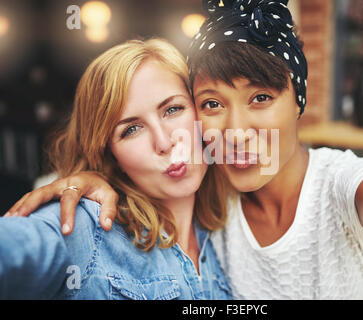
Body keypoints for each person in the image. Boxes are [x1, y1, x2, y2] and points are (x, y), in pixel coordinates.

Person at [7, 0, 363, 299]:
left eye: (260, 98)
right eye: (213, 104)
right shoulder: (187, 197)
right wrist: (92, 179)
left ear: (299, 100)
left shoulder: (339, 186)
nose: (236, 132)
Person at [0, 38, 232, 299]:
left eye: (173, 109)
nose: (165, 143)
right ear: (110, 154)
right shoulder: (85, 227)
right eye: (131, 129)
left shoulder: (226, 233)